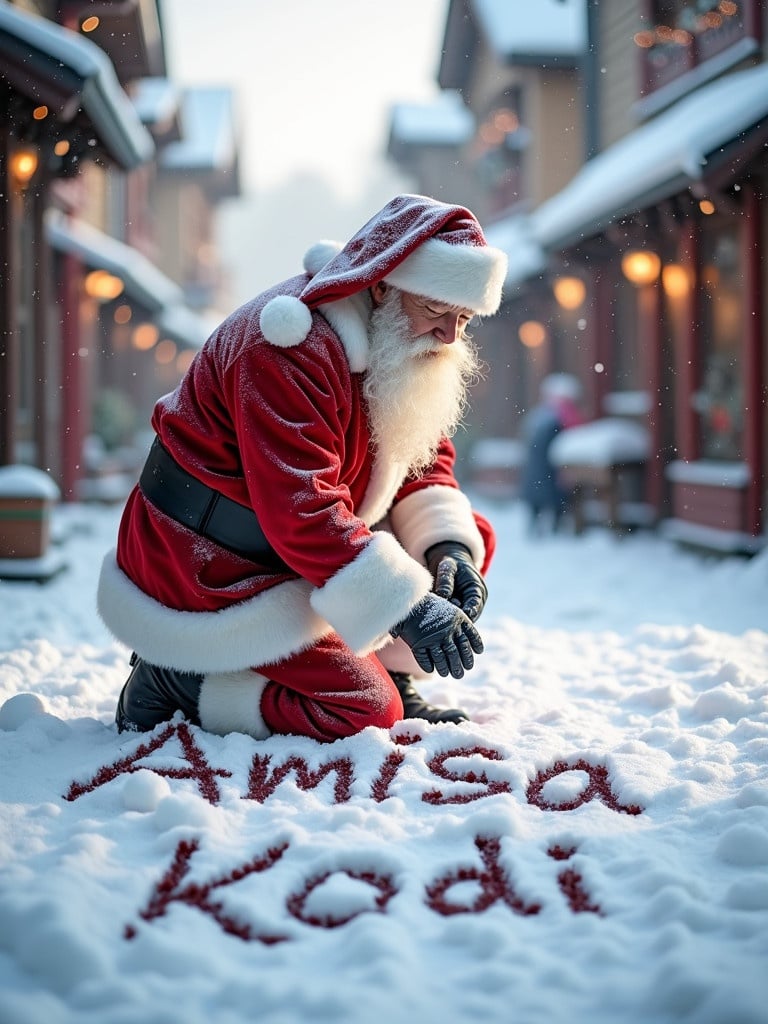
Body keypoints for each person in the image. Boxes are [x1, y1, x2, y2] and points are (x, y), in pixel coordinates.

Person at [97, 194, 508, 742]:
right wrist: (404, 606)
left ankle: (391, 668)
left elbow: (420, 463)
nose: (450, 336)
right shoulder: (288, 344)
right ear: (383, 284)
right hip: (211, 561)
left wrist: (446, 549)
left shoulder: (395, 340)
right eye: (437, 311)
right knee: (364, 713)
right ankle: (179, 681)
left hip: (290, 547)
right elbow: (302, 508)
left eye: (464, 318)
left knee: (456, 554)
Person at [518, 373, 584, 535]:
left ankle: (536, 527)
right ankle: (555, 526)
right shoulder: (562, 416)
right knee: (555, 499)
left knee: (539, 501)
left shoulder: (538, 415)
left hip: (536, 473)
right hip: (550, 471)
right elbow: (574, 436)